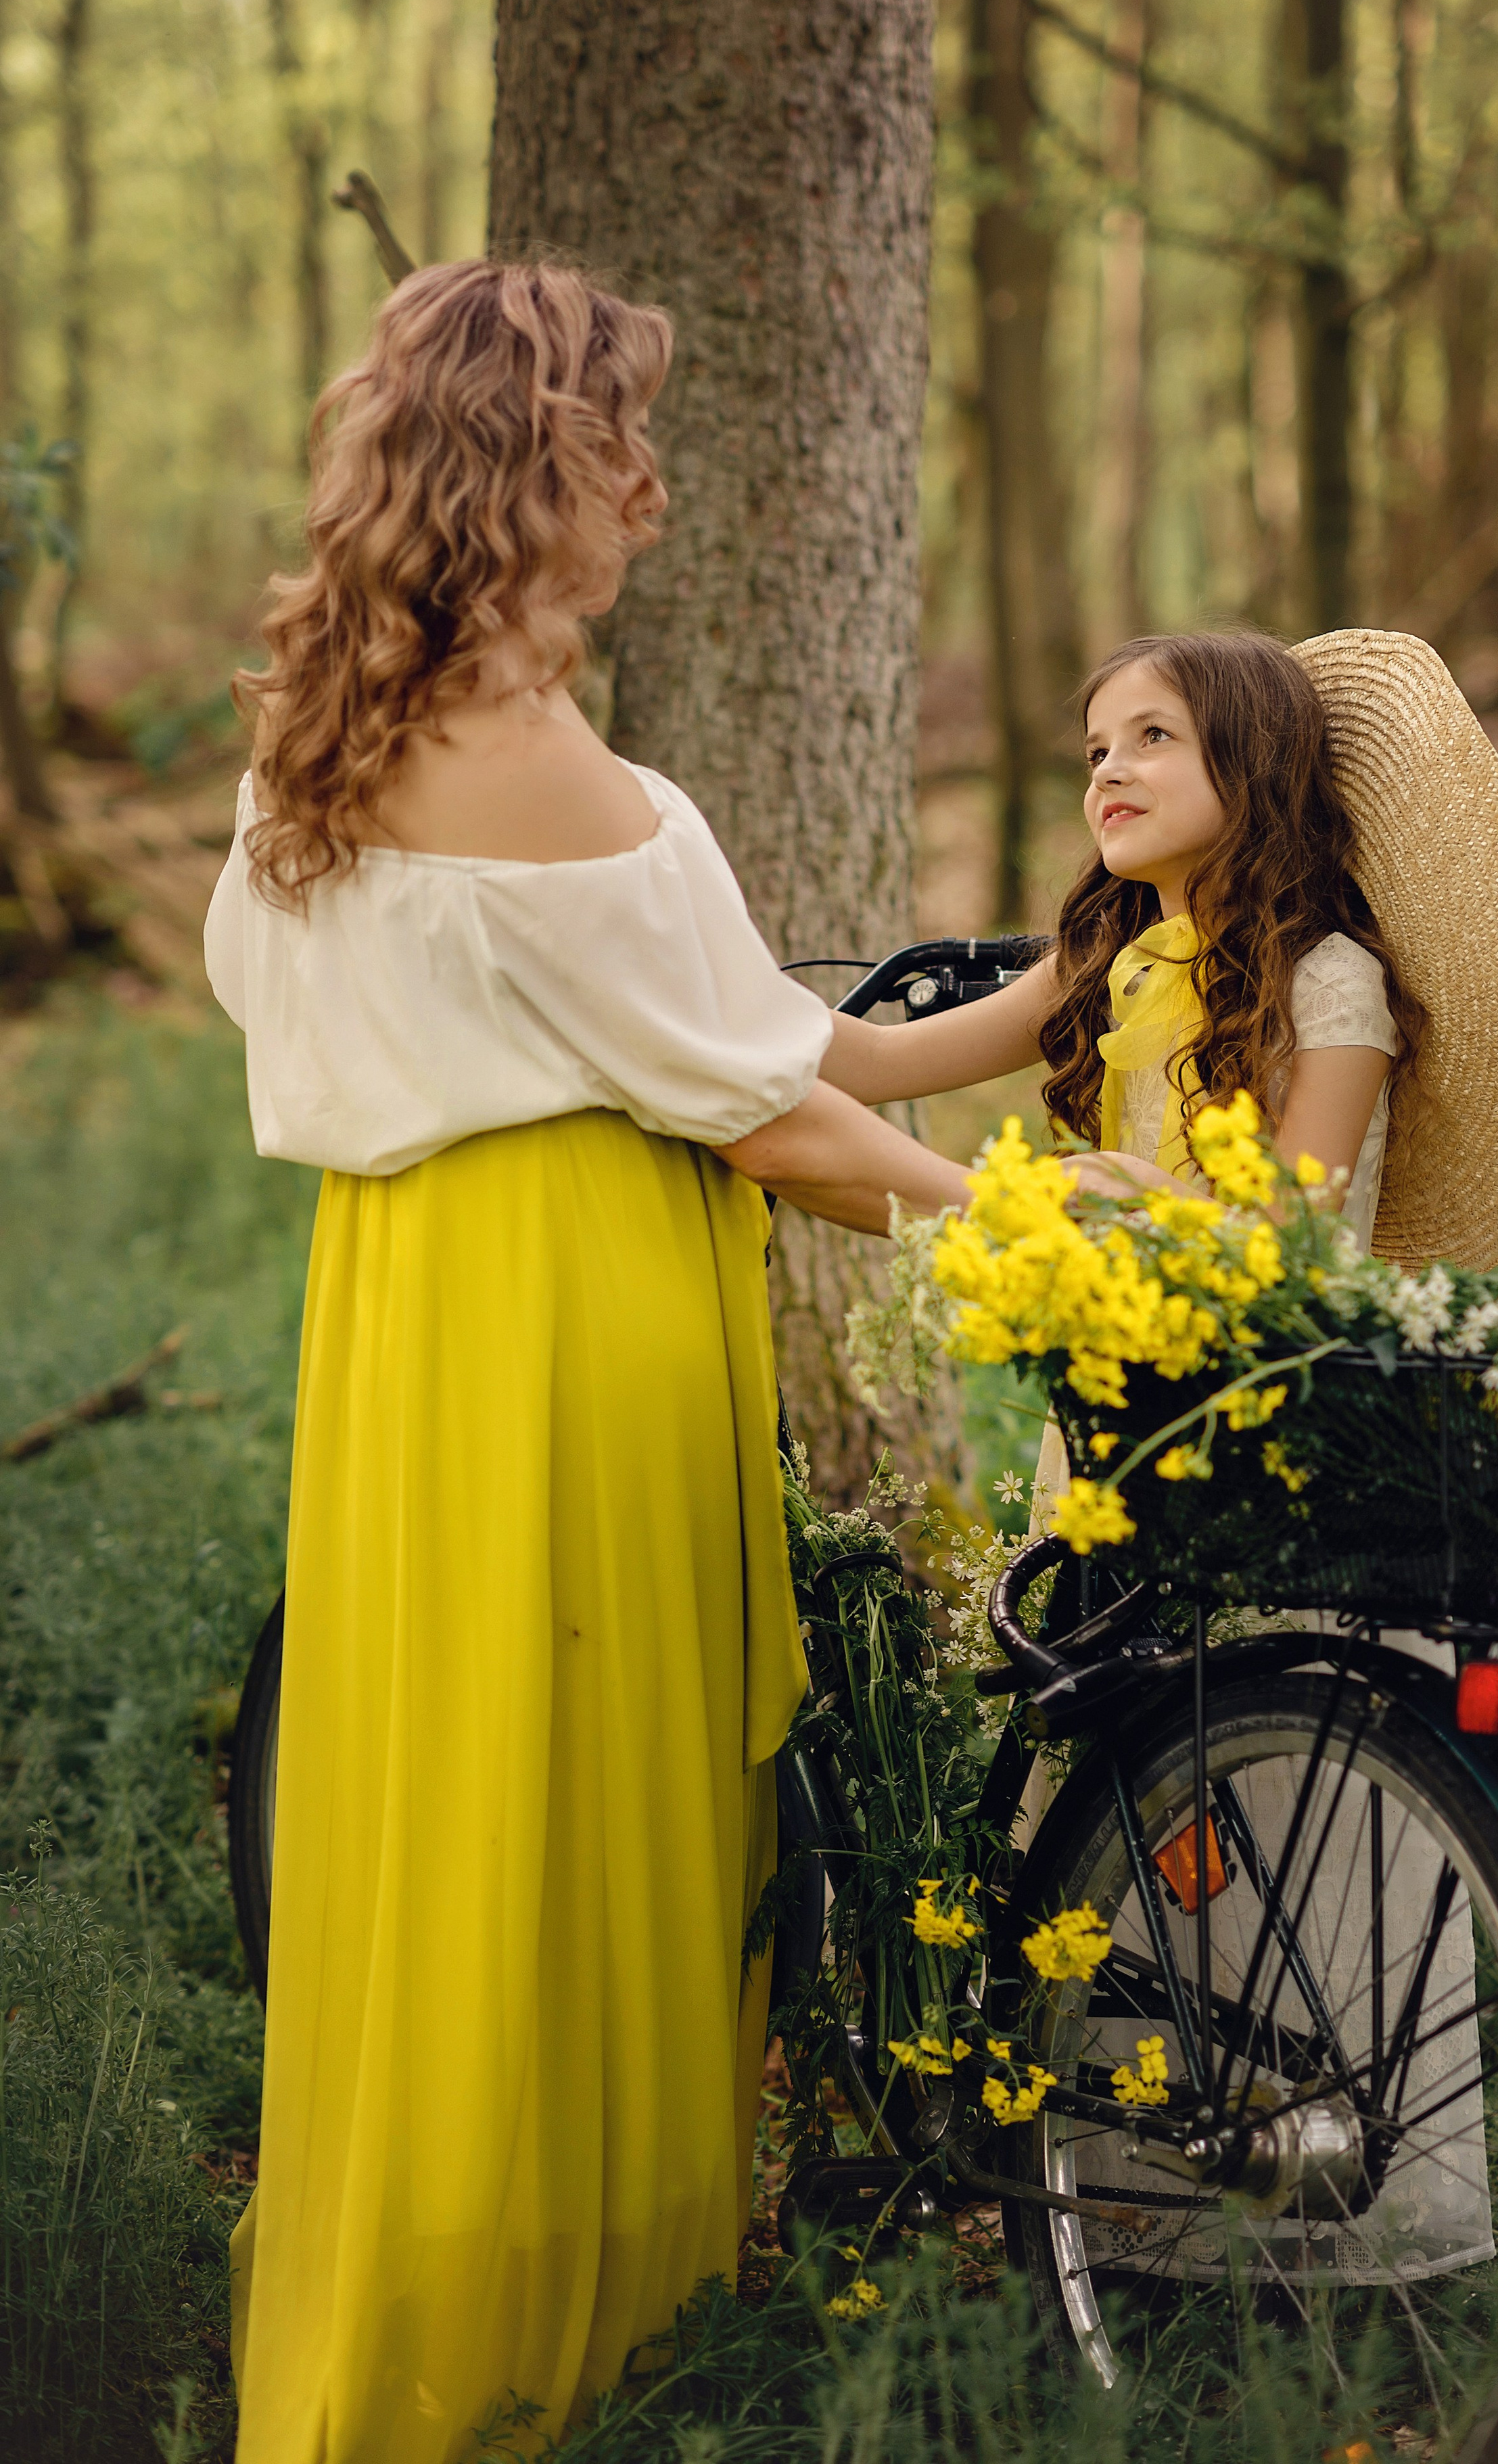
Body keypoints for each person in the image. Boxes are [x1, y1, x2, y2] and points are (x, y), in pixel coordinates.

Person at [204, 257, 984, 2464]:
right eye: (619, 441)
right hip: (570, 1311)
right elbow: (762, 1108)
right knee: (578, 1813)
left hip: (409, 1315)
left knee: (446, 1805)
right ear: (528, 469)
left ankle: (456, 2276)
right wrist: (1008, 1217)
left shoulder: (322, 738)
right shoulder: (551, 769)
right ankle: (573, 2333)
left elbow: (744, 1035)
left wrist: (1034, 1012)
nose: (651, 486)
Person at [821, 622, 1498, 2286]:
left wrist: (1114, 1196)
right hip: (1118, 1434)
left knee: (1271, 1796)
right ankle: (1134, 2209)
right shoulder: (1106, 962)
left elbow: (1288, 1231)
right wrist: (666, 992)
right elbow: (873, 1063)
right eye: (1096, 743)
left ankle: (1316, 2210)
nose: (1108, 768)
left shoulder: (1329, 979)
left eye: (1153, 738)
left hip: (1265, 1441)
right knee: (1123, 1799)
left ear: (1252, 765)